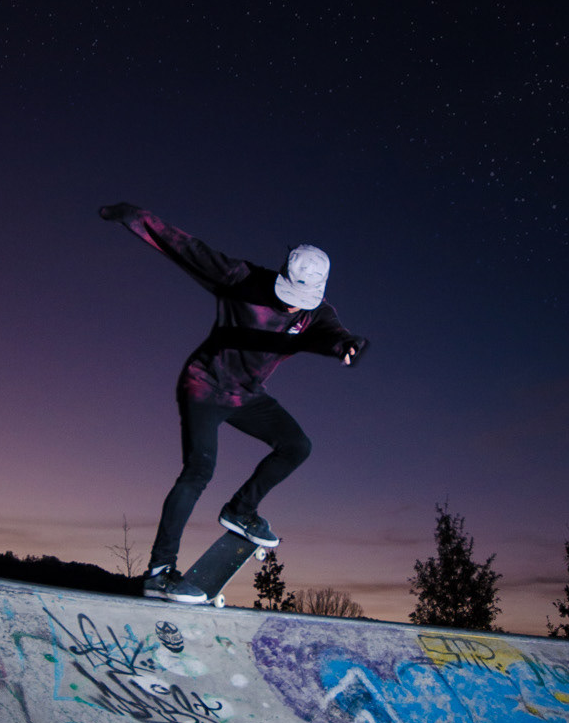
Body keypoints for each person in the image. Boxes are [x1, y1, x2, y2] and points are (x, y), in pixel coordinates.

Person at [99, 202, 369, 601]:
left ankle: (241, 509)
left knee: (297, 446)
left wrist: (347, 345)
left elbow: (334, 334)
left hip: (246, 395)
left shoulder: (316, 315)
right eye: (287, 294)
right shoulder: (241, 279)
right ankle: (159, 572)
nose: (291, 305)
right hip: (204, 386)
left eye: (301, 300)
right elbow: (186, 248)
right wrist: (137, 217)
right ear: (280, 275)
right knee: (198, 471)